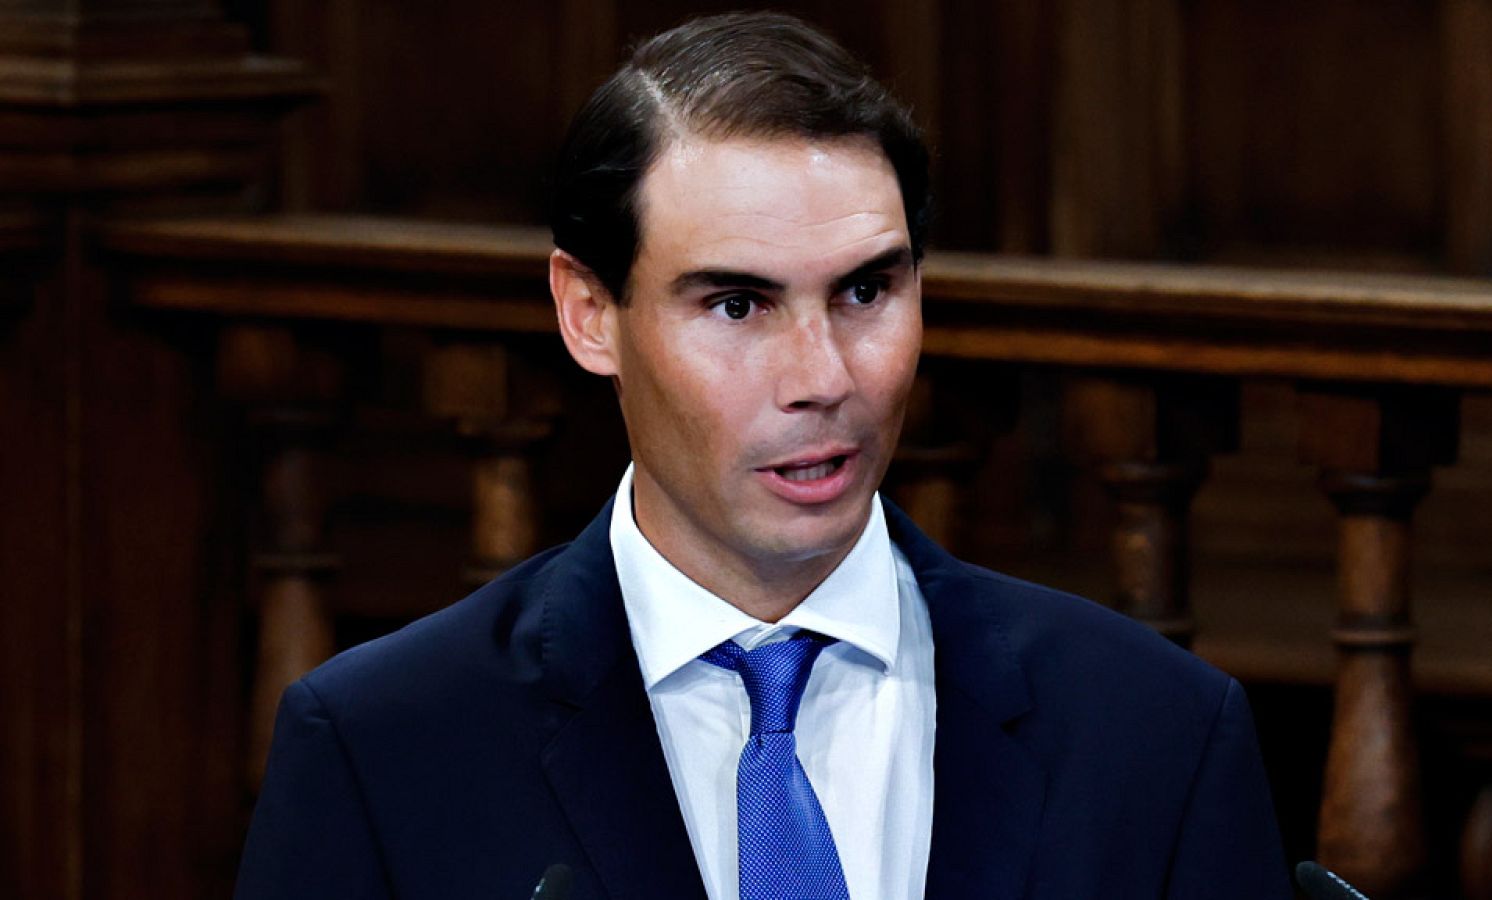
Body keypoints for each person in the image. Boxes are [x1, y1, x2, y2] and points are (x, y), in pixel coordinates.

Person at [236, 12, 1291, 900]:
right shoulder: (385, 750)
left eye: (866, 291)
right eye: (737, 304)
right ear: (590, 312)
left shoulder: (1155, 735)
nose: (822, 375)